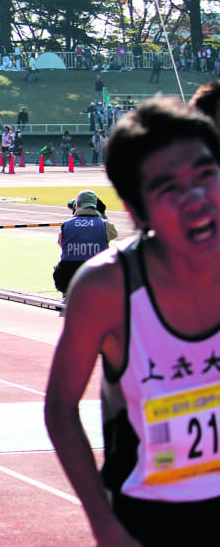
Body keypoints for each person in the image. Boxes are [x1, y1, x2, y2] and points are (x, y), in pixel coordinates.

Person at [45, 97, 220, 546]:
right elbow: (60, 410)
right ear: (136, 209)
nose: (197, 199)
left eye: (206, 175)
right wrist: (104, 525)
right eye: (170, 189)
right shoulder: (106, 288)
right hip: (151, 521)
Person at [52, 190, 118, 300]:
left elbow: (62, 244)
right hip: (99, 279)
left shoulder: (66, 225)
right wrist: (103, 214)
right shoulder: (105, 225)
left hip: (68, 280)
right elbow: (113, 234)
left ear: (77, 205)